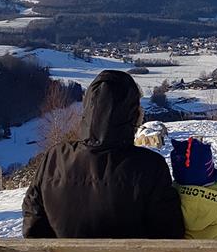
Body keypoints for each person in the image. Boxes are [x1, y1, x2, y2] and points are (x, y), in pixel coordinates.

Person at [22, 70, 184, 239]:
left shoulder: (54, 159)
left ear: (88, 109)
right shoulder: (151, 166)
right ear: (133, 115)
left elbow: (33, 222)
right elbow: (170, 236)